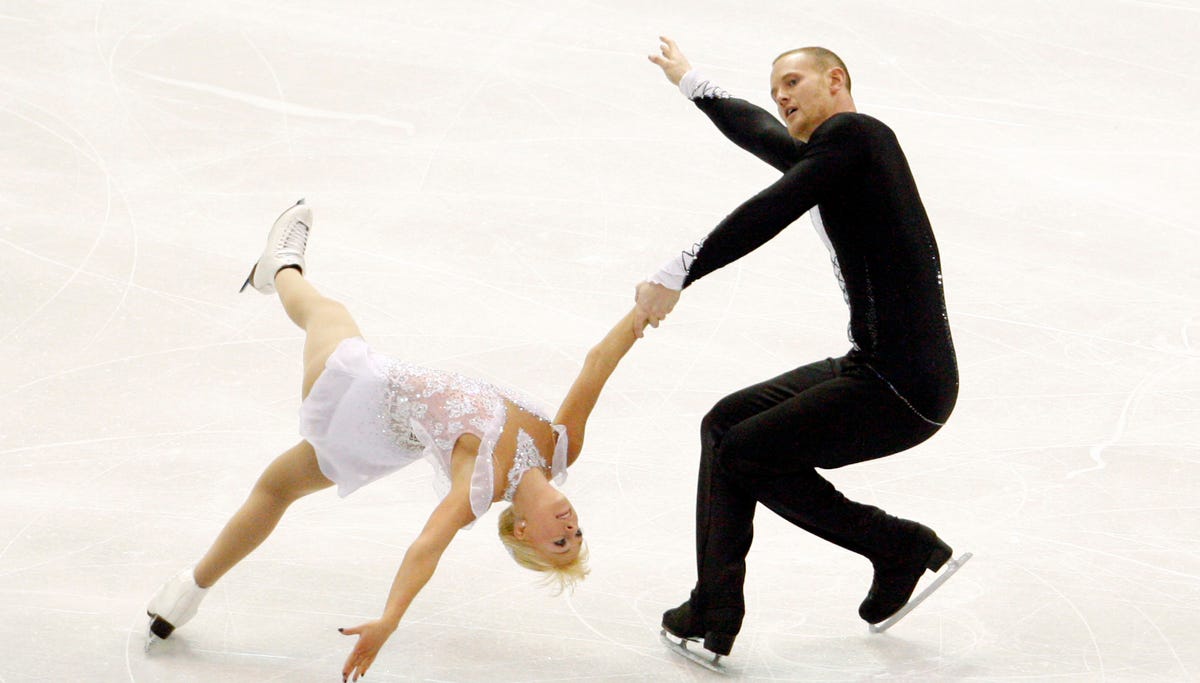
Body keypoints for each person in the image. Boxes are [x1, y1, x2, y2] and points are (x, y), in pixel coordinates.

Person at [144, 200, 644, 682]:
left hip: (366, 399)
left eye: (558, 542)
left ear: (521, 531)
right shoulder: (560, 448)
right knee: (277, 489)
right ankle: (187, 591)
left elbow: (427, 546)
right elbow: (597, 365)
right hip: (394, 434)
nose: (571, 529)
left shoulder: (481, 486)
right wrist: (641, 312)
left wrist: (390, 619)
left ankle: (280, 266)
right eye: (576, 536)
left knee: (327, 315)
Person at [638, 37, 960, 657]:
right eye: (775, 89)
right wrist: (691, 80)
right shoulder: (838, 157)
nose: (781, 96)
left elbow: (772, 208)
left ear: (835, 80)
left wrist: (675, 271)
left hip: (904, 387)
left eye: (792, 81)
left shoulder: (861, 137)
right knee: (724, 423)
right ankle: (715, 604)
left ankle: (896, 546)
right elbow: (759, 133)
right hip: (875, 368)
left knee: (746, 452)